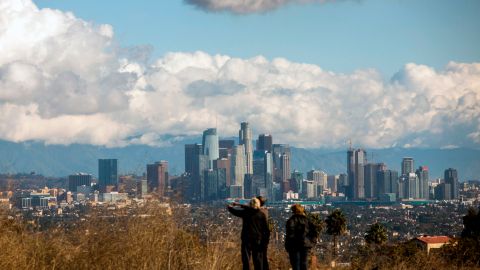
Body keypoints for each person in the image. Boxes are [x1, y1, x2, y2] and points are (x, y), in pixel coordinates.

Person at [227, 198, 270, 270]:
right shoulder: (261, 214)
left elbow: (236, 212)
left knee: (246, 259)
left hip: (246, 239)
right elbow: (266, 229)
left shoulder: (246, 212)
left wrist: (229, 207)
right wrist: (265, 241)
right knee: (257, 259)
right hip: (257, 239)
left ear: (250, 204)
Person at [285, 204, 315, 270]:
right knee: (304, 263)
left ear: (293, 211)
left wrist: (288, 245)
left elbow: (289, 234)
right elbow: (313, 232)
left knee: (295, 264)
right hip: (305, 245)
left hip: (294, 245)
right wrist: (311, 243)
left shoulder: (291, 221)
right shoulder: (307, 220)